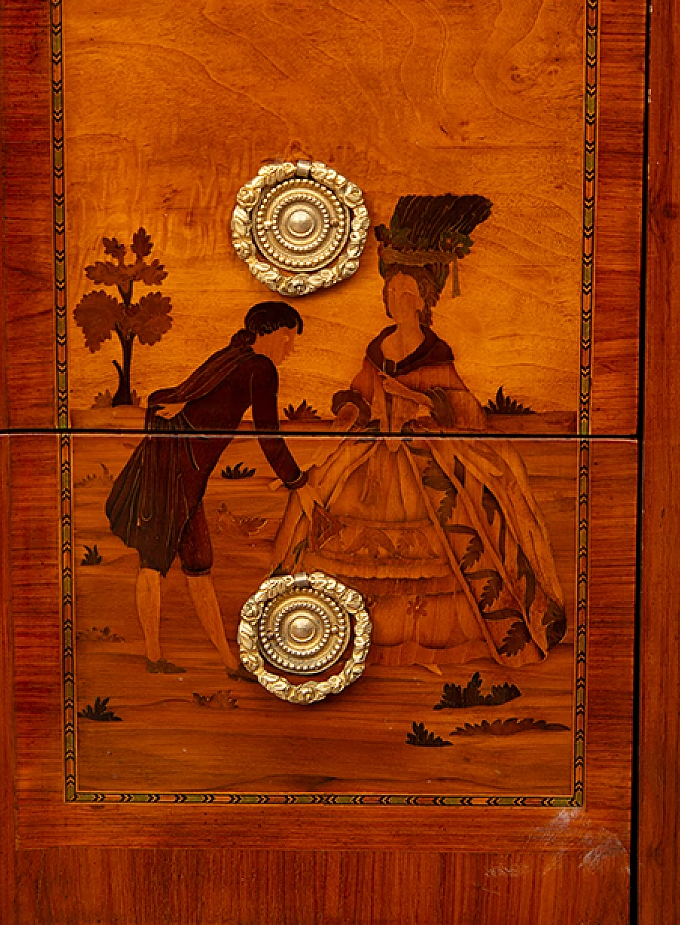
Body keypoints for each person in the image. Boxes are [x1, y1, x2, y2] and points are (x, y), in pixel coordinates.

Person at [275, 194, 566, 671]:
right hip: (374, 455)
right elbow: (357, 392)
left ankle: (438, 642)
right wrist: (350, 410)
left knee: (474, 522)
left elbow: (463, 408)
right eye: (391, 292)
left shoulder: (434, 352)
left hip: (426, 454)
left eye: (405, 292)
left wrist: (415, 400)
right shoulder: (379, 345)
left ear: (421, 299)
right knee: (321, 508)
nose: (396, 299)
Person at [106, 300, 313, 675]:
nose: (290, 348)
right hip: (175, 466)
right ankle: (158, 656)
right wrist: (297, 481)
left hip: (186, 468)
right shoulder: (258, 366)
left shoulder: (234, 357)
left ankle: (227, 662)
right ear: (268, 334)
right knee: (157, 561)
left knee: (196, 564)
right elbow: (268, 433)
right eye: (287, 339)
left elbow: (192, 392)